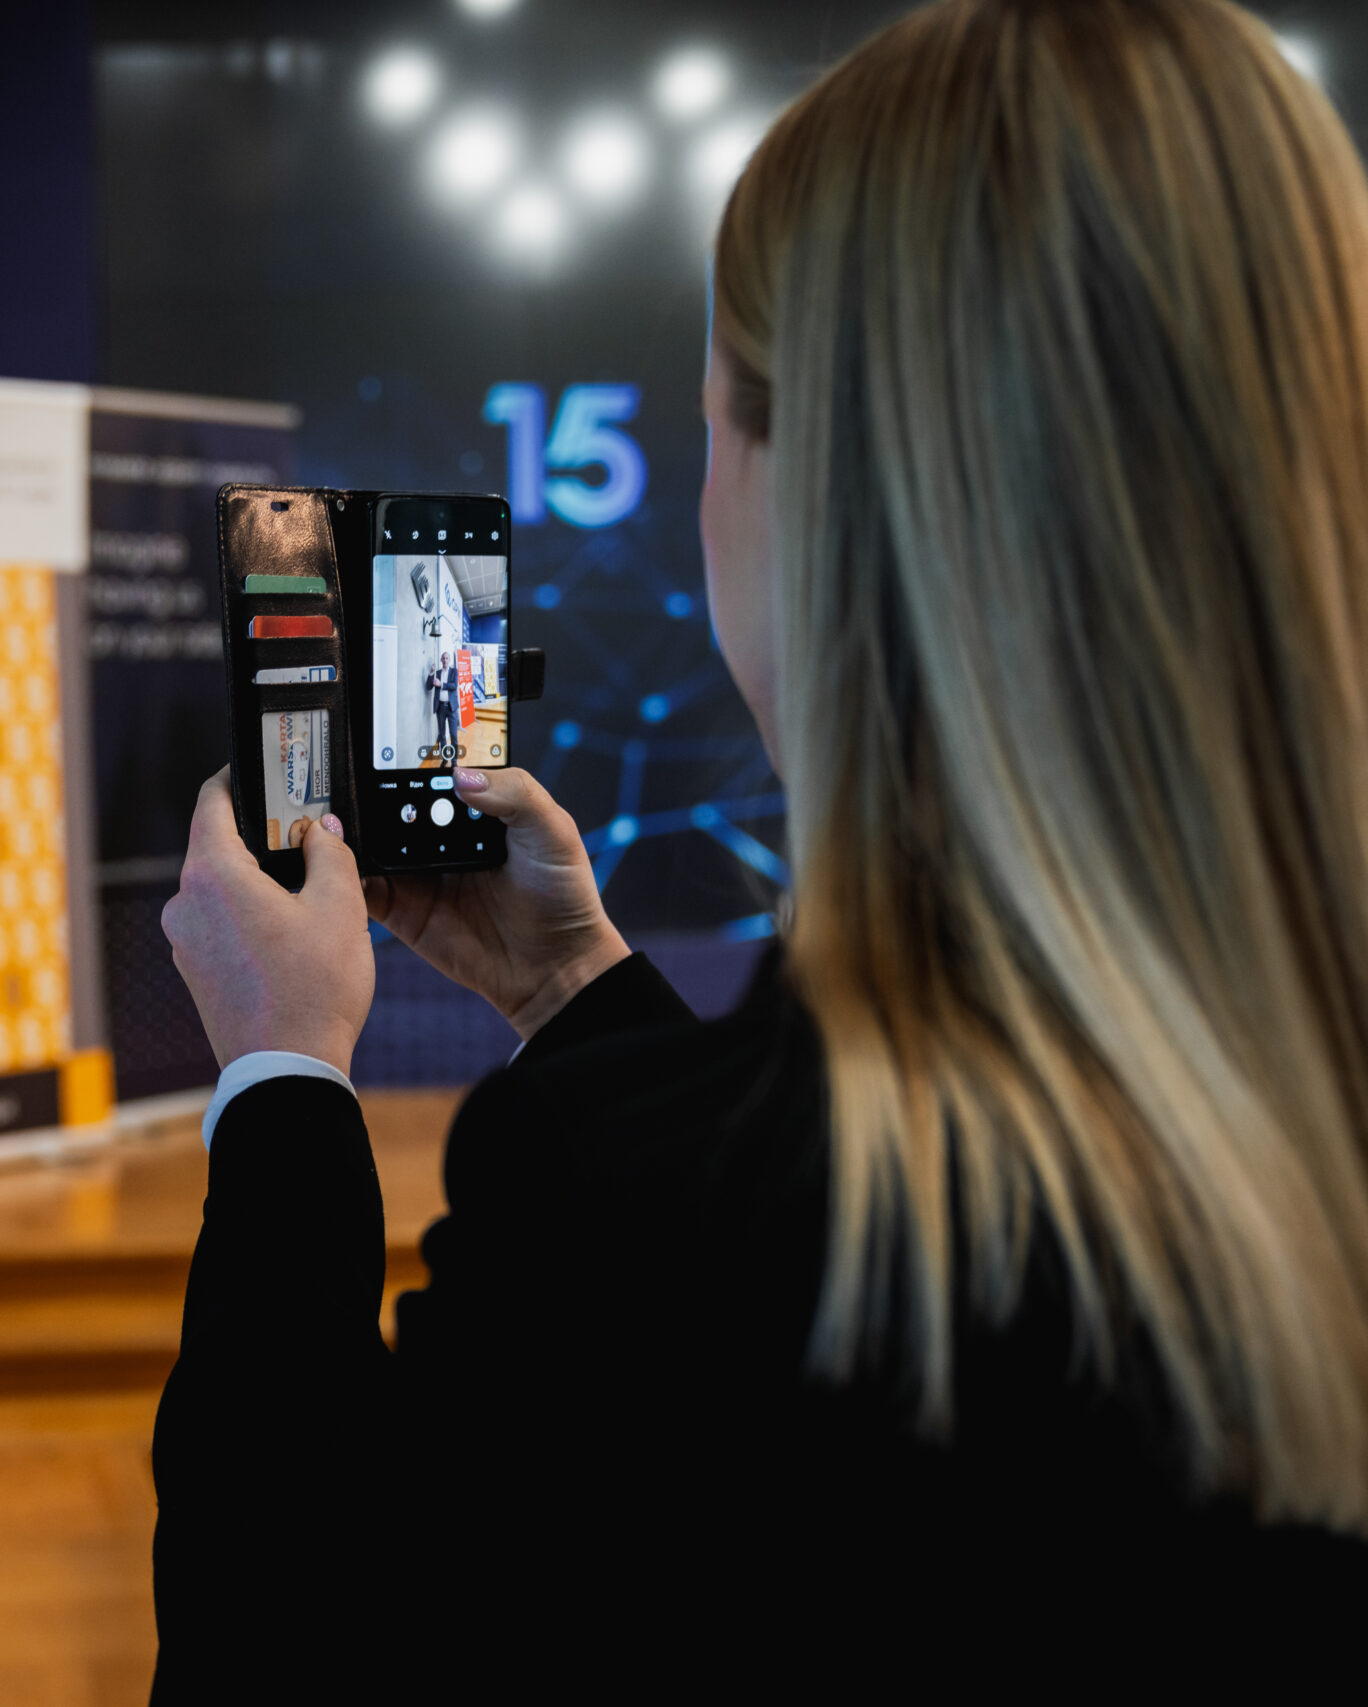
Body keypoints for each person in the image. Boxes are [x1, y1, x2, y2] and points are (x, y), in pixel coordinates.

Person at [151, 0, 1368, 1692]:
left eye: (711, 416)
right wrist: (577, 994)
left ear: (821, 486)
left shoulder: (647, 1229)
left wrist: (281, 1078)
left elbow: (273, 1638)